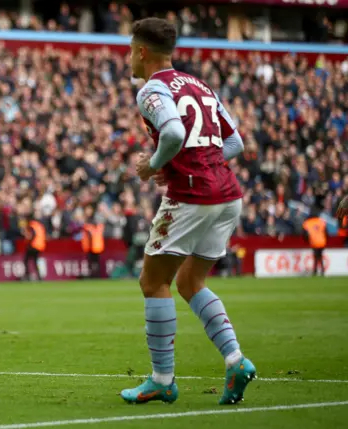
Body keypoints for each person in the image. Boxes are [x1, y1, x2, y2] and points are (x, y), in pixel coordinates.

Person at [120, 18, 255, 406]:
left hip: (192, 196)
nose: (129, 58)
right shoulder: (199, 84)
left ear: (142, 52)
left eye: (131, 51)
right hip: (228, 195)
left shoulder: (151, 89)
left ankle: (162, 379)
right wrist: (196, 162)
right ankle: (235, 360)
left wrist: (156, 165)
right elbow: (236, 142)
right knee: (190, 282)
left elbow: (175, 133)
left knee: (153, 281)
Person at [302, 210, 328, 276]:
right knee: (320, 256)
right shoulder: (321, 221)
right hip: (322, 241)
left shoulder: (307, 222)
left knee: (316, 256)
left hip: (314, 242)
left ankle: (315, 271)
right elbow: (326, 232)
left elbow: (304, 234)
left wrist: (307, 240)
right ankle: (321, 270)